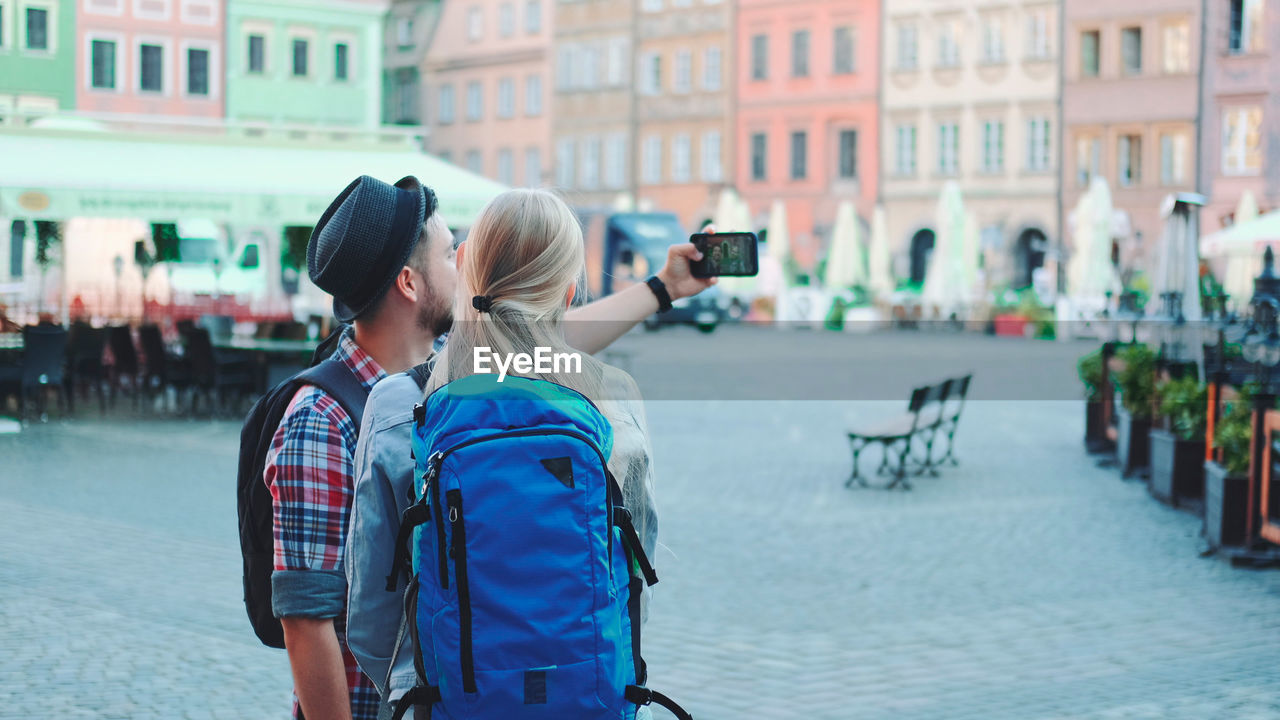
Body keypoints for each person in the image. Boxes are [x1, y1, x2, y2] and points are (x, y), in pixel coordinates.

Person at [267, 176, 713, 720]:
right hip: (588, 700)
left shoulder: (399, 404)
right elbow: (632, 579)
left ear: (472, 282)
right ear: (569, 292)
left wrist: (435, 677)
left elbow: (370, 621)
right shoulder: (611, 397)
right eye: (445, 250)